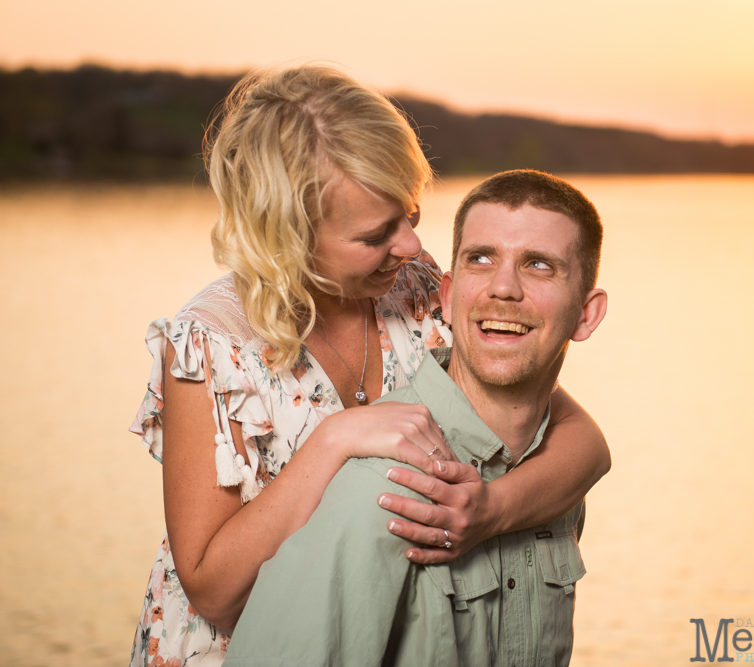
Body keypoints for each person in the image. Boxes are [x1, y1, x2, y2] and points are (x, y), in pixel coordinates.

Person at [129, 66, 611, 666]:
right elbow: (210, 591)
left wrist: (492, 510)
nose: (411, 244)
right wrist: (332, 440)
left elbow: (582, 442)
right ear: (292, 236)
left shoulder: (413, 289)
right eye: (377, 233)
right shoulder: (211, 347)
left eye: (410, 215)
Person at [224, 169, 609, 667]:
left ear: (586, 315)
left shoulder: (550, 471)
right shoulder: (385, 489)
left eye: (538, 265)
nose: (503, 288)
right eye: (482, 258)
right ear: (447, 298)